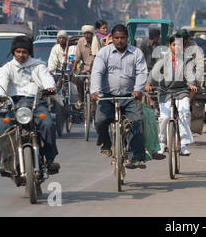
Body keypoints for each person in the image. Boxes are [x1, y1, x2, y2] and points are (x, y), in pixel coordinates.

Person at [0, 36, 60, 174]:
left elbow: (47, 79)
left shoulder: (38, 66)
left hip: (36, 105)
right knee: (3, 128)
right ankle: (6, 161)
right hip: (15, 105)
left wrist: (50, 88)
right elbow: (2, 84)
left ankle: (50, 159)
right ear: (14, 52)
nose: (21, 55)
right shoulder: (8, 67)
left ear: (29, 52)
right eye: (18, 52)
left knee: (48, 124)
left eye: (24, 52)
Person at [90, 24, 148, 169]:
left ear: (127, 38)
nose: (119, 40)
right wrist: (95, 91)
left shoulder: (136, 53)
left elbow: (141, 73)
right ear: (112, 38)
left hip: (130, 97)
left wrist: (138, 89)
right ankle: (106, 142)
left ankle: (138, 157)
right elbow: (97, 72)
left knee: (137, 122)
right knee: (100, 120)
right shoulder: (104, 53)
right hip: (108, 97)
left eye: (122, 38)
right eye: (116, 38)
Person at [145, 34, 197, 156]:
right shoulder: (164, 58)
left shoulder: (187, 59)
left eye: (179, 45)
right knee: (164, 117)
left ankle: (184, 144)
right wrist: (148, 83)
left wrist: (191, 83)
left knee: (184, 113)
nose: (177, 47)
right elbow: (155, 71)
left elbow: (190, 73)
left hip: (182, 90)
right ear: (170, 46)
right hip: (165, 91)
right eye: (174, 45)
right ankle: (162, 143)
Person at [72, 24, 101, 109]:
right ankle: (80, 99)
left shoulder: (98, 41)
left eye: (89, 33)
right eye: (85, 33)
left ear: (92, 34)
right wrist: (73, 68)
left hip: (97, 69)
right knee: (79, 80)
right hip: (84, 68)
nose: (87, 35)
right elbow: (77, 56)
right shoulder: (81, 41)